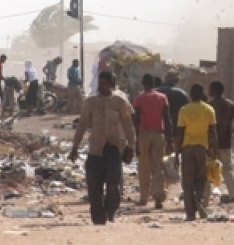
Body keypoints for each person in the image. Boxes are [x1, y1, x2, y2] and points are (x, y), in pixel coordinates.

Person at [69, 70, 137, 225]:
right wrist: (75, 147)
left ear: (111, 85)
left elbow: (128, 125)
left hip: (114, 148)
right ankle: (98, 217)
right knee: (94, 184)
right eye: (100, 83)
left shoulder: (120, 102)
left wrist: (131, 146)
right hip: (95, 149)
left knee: (113, 181)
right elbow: (82, 125)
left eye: (105, 84)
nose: (102, 87)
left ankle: (111, 210)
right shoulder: (90, 102)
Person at [174, 83, 217, 221]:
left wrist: (176, 154)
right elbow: (212, 133)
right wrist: (214, 151)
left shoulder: (184, 110)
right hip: (202, 149)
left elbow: (180, 133)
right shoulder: (209, 110)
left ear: (191, 95)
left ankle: (190, 214)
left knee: (187, 182)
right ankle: (200, 201)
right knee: (201, 179)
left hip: (187, 149)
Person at [133, 73, 172, 209]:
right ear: (154, 84)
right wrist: (169, 138)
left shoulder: (139, 99)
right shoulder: (162, 98)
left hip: (144, 134)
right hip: (158, 134)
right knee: (157, 166)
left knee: (144, 166)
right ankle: (158, 197)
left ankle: (144, 198)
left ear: (143, 83)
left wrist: (136, 139)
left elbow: (136, 120)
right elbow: (167, 118)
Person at [209, 80, 234, 203]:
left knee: (209, 169)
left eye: (210, 89)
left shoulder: (209, 105)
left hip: (211, 143)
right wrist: (231, 130)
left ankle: (205, 198)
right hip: (226, 141)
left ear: (214, 90)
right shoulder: (230, 104)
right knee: (228, 169)